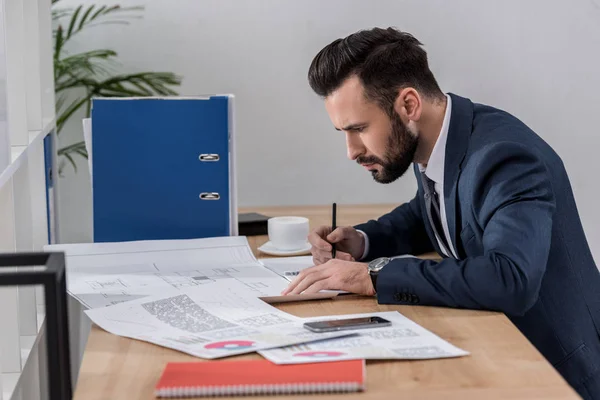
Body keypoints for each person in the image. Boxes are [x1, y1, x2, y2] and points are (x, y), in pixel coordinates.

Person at [281, 27, 600, 399]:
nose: (351, 151)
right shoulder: (437, 138)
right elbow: (434, 212)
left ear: (408, 105)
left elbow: (511, 278)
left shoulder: (506, 158)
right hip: (491, 346)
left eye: (359, 129)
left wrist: (373, 276)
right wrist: (364, 241)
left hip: (554, 375)